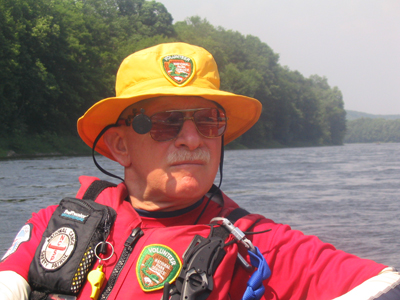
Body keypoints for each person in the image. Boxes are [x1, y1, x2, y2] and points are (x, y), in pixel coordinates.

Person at [0, 42, 399, 300]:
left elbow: (379, 286)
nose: (193, 139)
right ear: (121, 146)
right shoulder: (54, 224)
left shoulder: (256, 246)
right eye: (167, 122)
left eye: (208, 121)